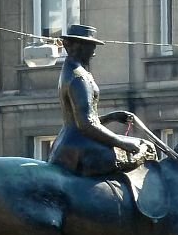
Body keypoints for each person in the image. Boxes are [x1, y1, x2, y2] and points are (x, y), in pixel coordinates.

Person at [47, 24, 153, 177]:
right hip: (80, 150)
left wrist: (111, 118)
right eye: (92, 47)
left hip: (67, 143)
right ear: (79, 46)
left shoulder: (69, 70)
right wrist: (122, 143)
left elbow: (81, 121)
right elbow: (86, 125)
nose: (94, 53)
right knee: (146, 148)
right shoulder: (79, 77)